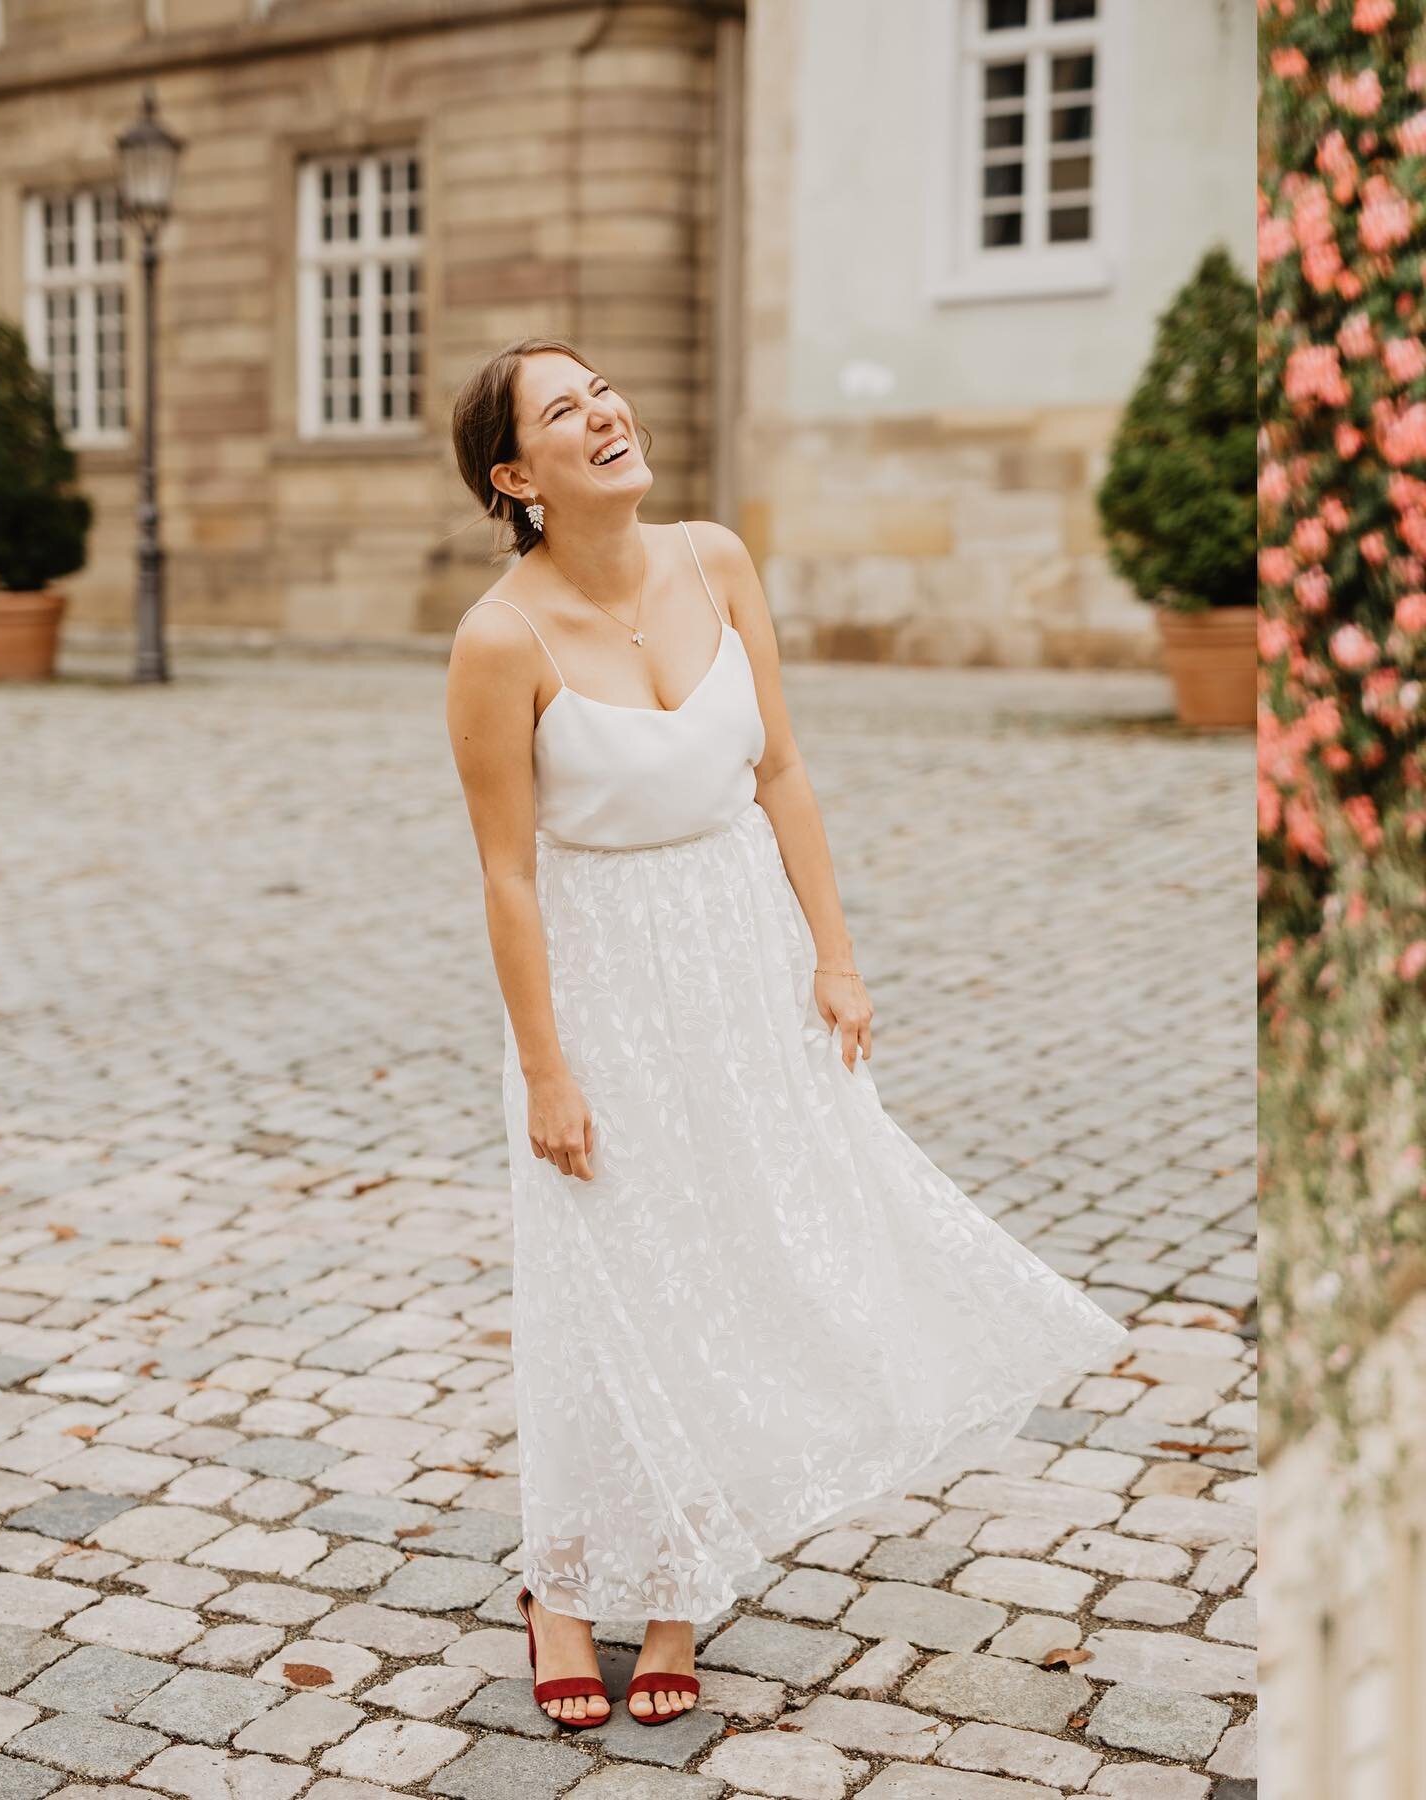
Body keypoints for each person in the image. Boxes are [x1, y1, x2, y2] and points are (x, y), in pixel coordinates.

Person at [443, 337, 1129, 1730]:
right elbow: (508, 873)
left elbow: (783, 767)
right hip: (604, 981)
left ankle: (682, 1572)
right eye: (564, 411)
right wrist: (550, 1069)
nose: (606, 412)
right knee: (605, 1279)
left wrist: (835, 953)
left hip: (742, 954)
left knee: (731, 1254)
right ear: (518, 477)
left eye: (604, 389)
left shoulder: (720, 560)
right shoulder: (496, 639)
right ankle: (564, 1586)